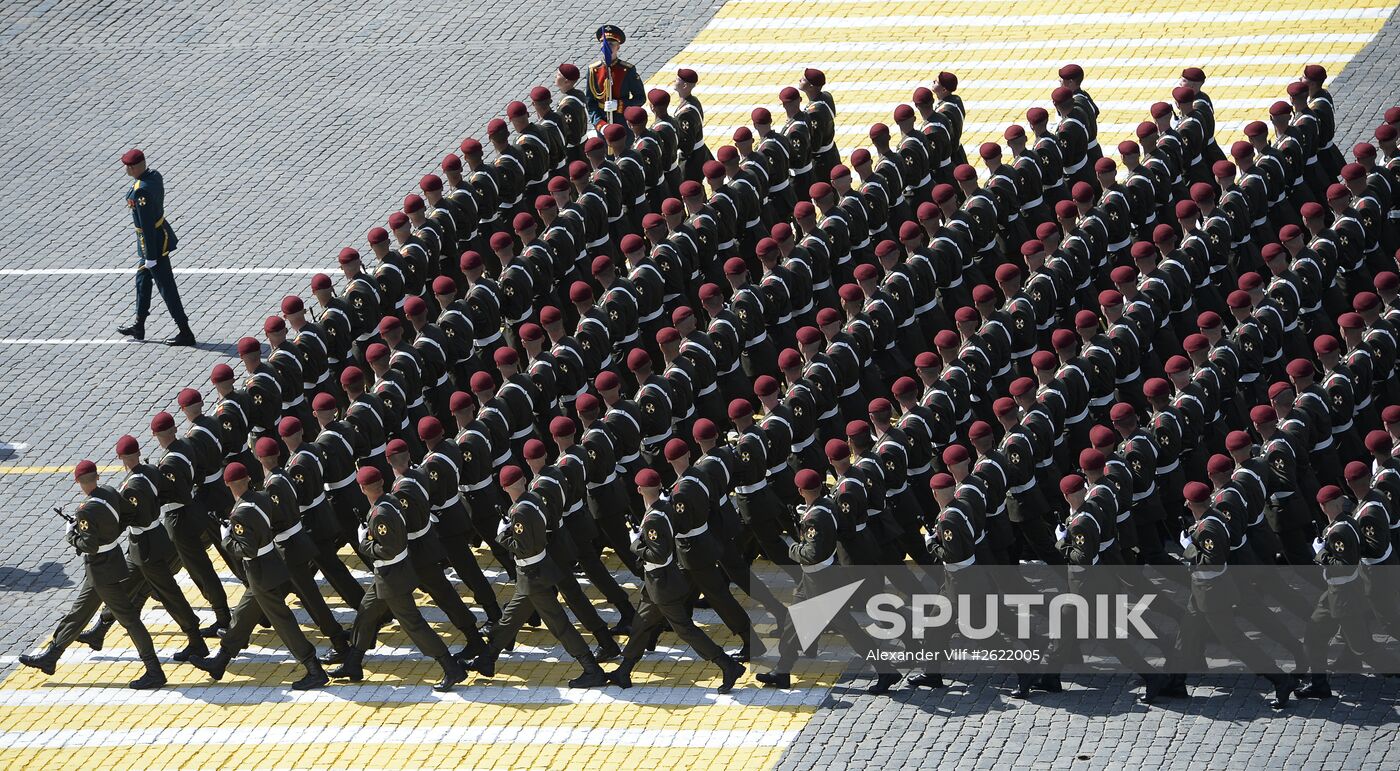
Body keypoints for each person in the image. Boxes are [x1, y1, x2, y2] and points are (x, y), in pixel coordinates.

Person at [18, 461, 167, 689]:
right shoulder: (108, 491)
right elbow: (128, 514)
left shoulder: (85, 510)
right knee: (79, 612)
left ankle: (154, 670)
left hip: (101, 570)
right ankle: (52, 655)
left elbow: (89, 544)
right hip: (108, 563)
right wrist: (108, 534)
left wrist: (71, 535)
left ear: (78, 482)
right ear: (97, 476)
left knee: (129, 619)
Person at [117, 149, 195, 346]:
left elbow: (147, 226)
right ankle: (139, 325)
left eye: (128, 166)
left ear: (134, 167)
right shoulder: (154, 176)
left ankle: (185, 332)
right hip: (154, 242)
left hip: (153, 246)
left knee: (167, 288)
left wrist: (150, 255)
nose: (126, 169)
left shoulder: (141, 190)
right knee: (142, 281)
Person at [585, 25, 645, 135]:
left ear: (618, 47)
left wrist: (620, 105)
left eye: (611, 44)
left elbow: (640, 98)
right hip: (603, 126)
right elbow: (590, 103)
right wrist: (601, 126)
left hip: (623, 124)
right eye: (604, 44)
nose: (607, 47)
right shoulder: (593, 70)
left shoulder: (627, 70)